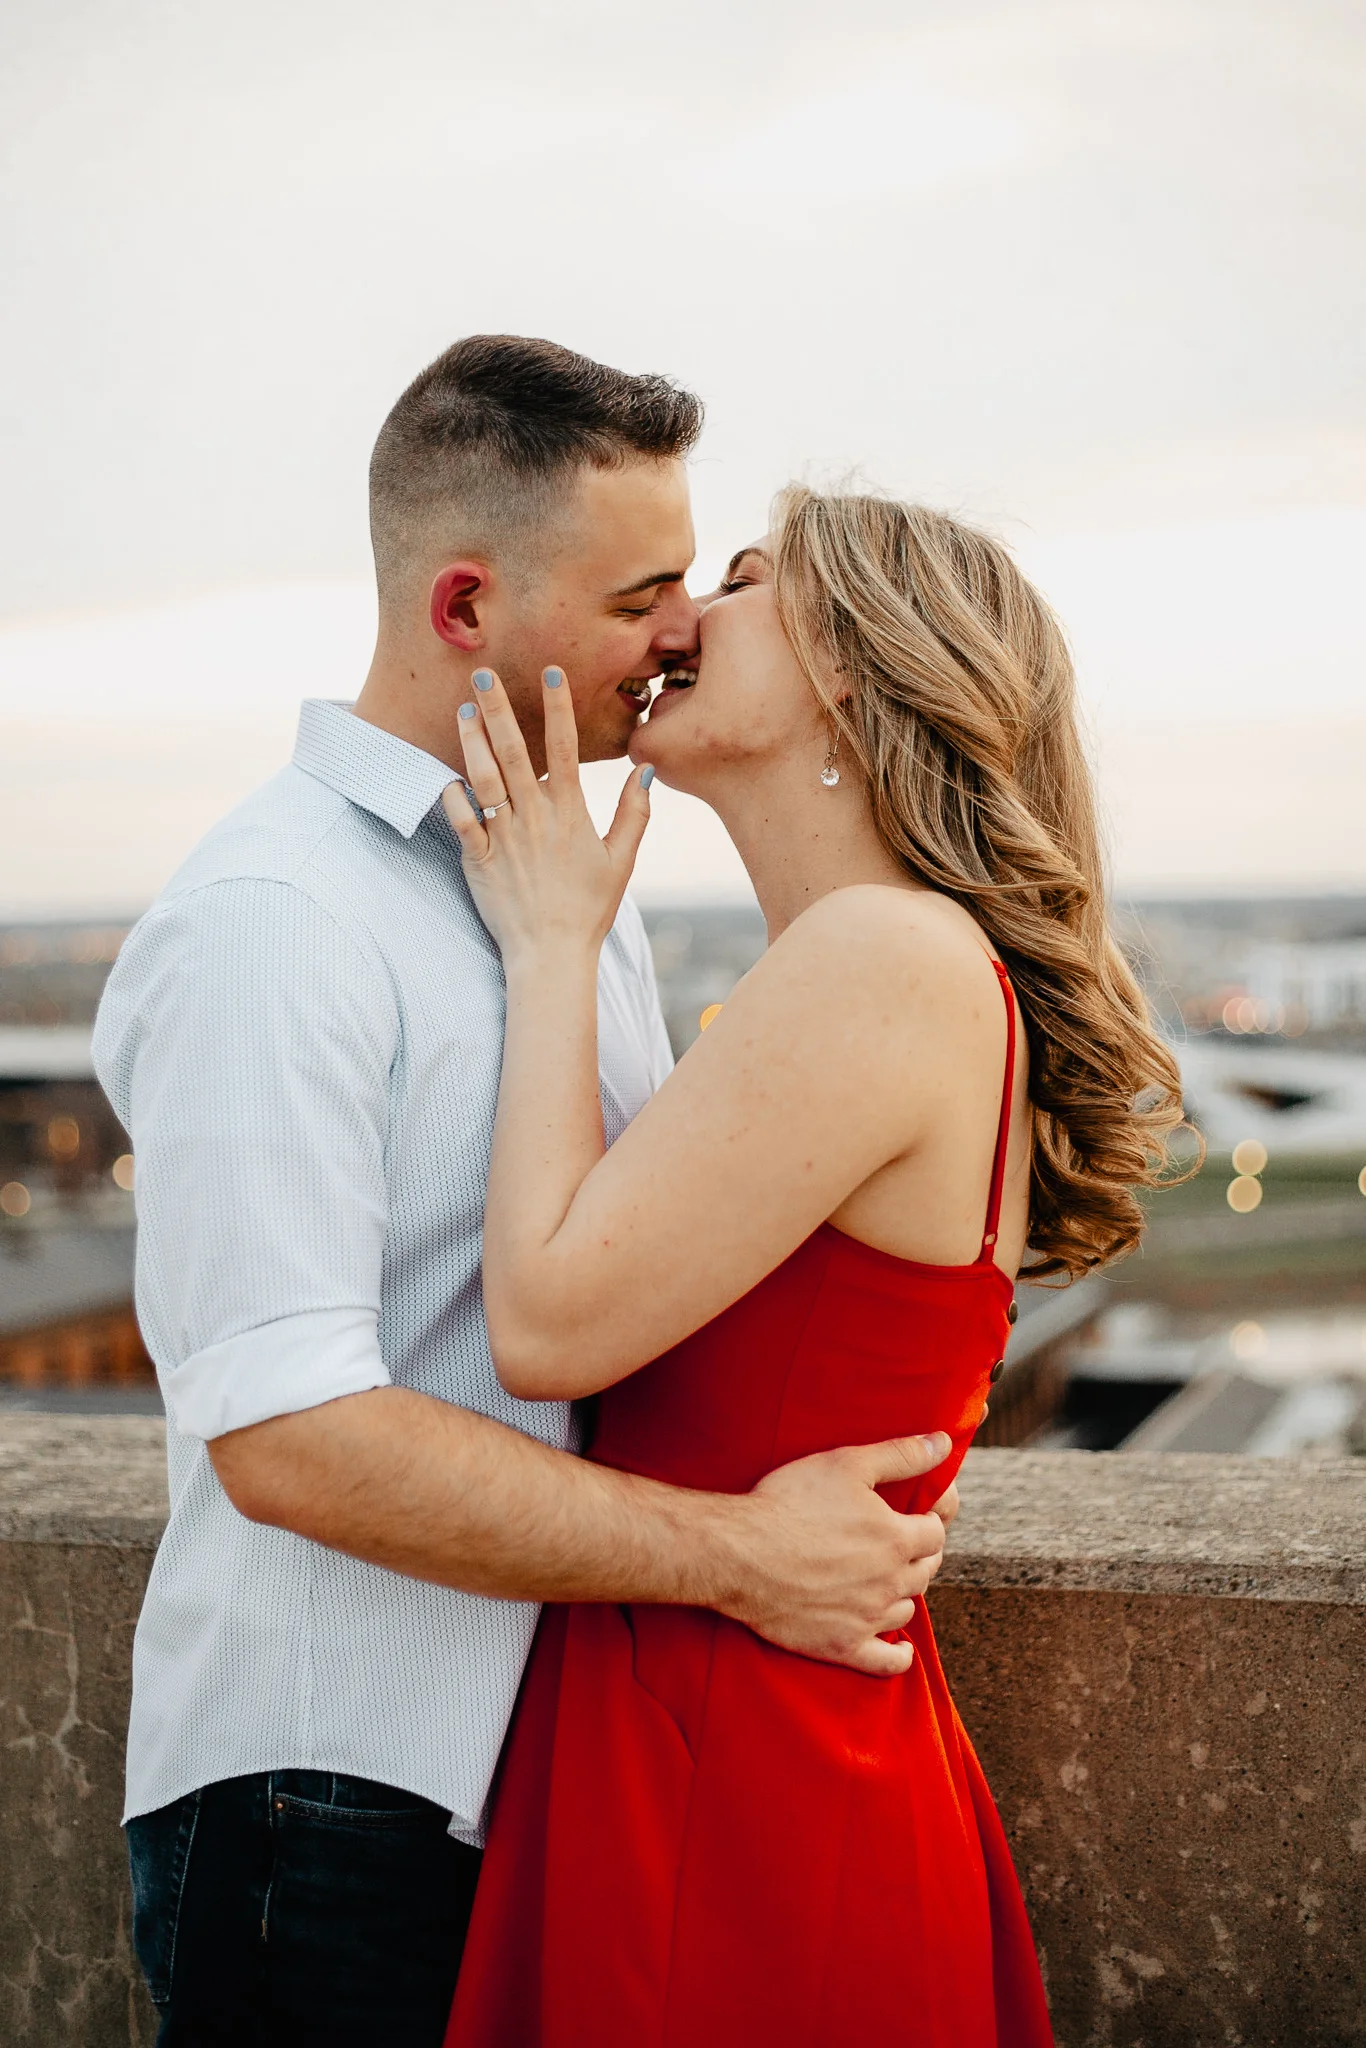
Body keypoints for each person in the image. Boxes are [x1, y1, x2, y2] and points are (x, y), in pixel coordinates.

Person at [92, 340, 960, 2046]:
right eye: (643, 594)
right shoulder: (275, 917)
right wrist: (737, 1561)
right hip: (330, 1798)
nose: (681, 632)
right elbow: (288, 1436)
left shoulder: (560, 884)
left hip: (544, 1792)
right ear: (467, 605)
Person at [439, 488, 1190, 2046]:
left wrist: (552, 947)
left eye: (742, 580)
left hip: (731, 1766)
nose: (680, 620)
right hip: (745, 1725)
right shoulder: (889, 961)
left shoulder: (879, 954)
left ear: (855, 666)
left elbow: (549, 1317)